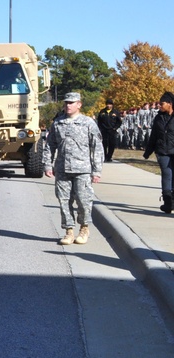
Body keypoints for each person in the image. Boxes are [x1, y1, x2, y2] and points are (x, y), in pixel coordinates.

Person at [43, 92, 104, 245]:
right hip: (62, 169)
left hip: (82, 169)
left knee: (84, 201)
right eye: (66, 103)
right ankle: (69, 231)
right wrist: (47, 165)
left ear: (79, 104)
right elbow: (49, 146)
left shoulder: (88, 123)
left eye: (71, 102)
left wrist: (97, 170)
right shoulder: (57, 123)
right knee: (64, 201)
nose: (68, 105)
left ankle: (84, 228)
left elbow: (97, 147)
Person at [144, 91, 174, 213]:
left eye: (162, 104)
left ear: (170, 104)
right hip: (162, 151)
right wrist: (148, 151)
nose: (159, 106)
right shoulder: (158, 117)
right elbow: (154, 135)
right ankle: (168, 202)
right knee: (166, 175)